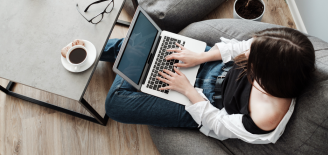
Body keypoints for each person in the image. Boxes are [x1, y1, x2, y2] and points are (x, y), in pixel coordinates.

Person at [101, 27, 315, 144]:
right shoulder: (278, 52)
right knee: (153, 43)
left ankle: (134, 61)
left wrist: (187, 90)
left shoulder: (267, 116)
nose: (247, 53)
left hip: (204, 103)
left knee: (116, 103)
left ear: (269, 76)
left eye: (253, 58)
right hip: (213, 65)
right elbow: (238, 46)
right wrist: (200, 57)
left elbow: (218, 123)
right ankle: (96, 51)